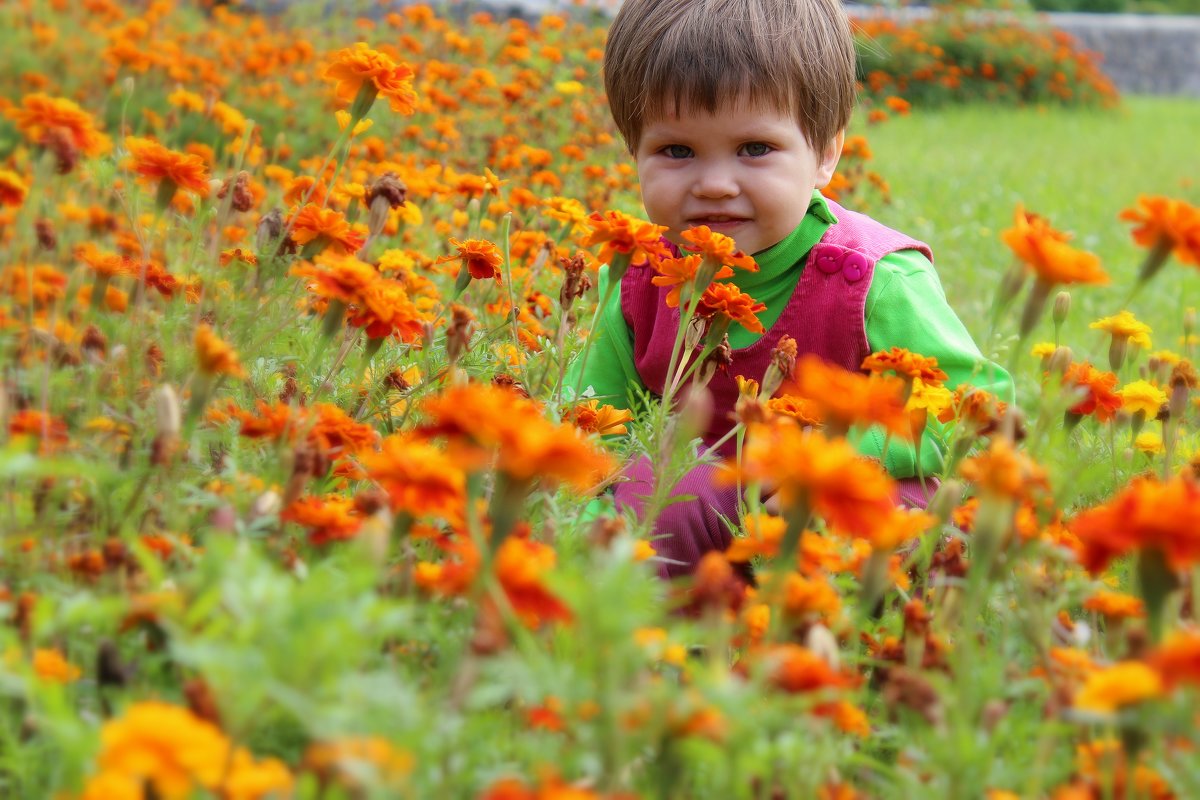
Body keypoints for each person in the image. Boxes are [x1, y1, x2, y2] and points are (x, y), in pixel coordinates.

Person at [568, 0, 1013, 579]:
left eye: (754, 149)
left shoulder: (875, 278)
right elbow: (589, 422)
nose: (716, 184)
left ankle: (852, 631)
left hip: (828, 512)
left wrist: (837, 465)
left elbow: (976, 413)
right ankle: (663, 633)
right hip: (697, 515)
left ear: (826, 152)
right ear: (635, 152)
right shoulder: (636, 279)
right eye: (677, 151)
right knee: (636, 492)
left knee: (918, 511)